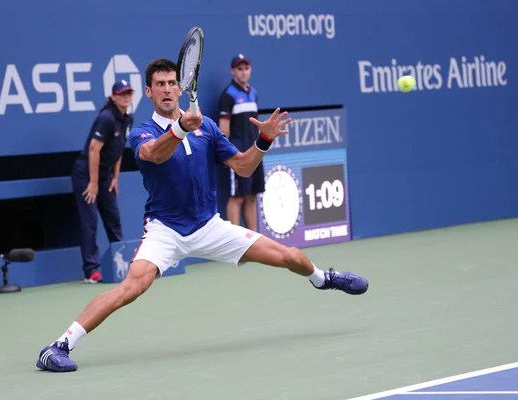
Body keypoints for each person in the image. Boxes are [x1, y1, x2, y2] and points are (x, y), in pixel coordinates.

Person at [36, 59, 368, 372]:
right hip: (165, 230)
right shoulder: (142, 132)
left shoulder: (206, 127)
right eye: (159, 84)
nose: (166, 89)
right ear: (149, 92)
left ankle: (323, 278)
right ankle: (58, 346)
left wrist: (264, 140)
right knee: (131, 288)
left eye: (171, 83)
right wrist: (180, 128)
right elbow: (153, 154)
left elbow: (241, 165)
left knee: (288, 255)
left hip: (210, 226)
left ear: (179, 88)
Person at [70, 80, 134, 283]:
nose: (126, 97)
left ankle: (123, 264)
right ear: (113, 97)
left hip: (105, 176)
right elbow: (93, 150)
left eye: (128, 93)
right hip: (86, 175)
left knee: (113, 219)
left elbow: (119, 150)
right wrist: (94, 183)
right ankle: (92, 271)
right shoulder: (106, 118)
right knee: (90, 223)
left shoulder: (128, 119)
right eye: (121, 94)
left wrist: (115, 177)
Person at [218, 54, 262, 231]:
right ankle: (236, 244)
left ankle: (254, 242)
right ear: (232, 71)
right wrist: (225, 154)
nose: (243, 72)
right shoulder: (228, 95)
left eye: (246, 68)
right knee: (237, 197)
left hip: (255, 152)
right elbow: (223, 128)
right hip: (238, 154)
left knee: (251, 196)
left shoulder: (254, 92)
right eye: (239, 69)